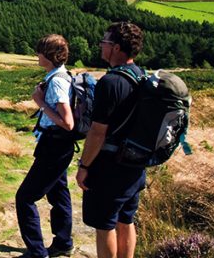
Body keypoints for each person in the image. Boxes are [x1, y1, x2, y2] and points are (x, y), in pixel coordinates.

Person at [75, 22, 146, 258]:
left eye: (104, 42)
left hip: (110, 165)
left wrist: (84, 166)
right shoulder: (141, 76)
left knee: (105, 224)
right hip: (135, 163)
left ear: (115, 47)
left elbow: (97, 132)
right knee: (126, 219)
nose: (101, 46)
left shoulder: (110, 82)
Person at [16, 34, 76, 258]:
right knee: (58, 193)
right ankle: (63, 242)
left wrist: (40, 103)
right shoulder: (61, 75)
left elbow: (68, 122)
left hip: (54, 146)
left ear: (49, 56)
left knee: (25, 198)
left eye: (40, 52)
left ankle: (37, 252)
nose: (36, 55)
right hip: (59, 146)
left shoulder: (57, 81)